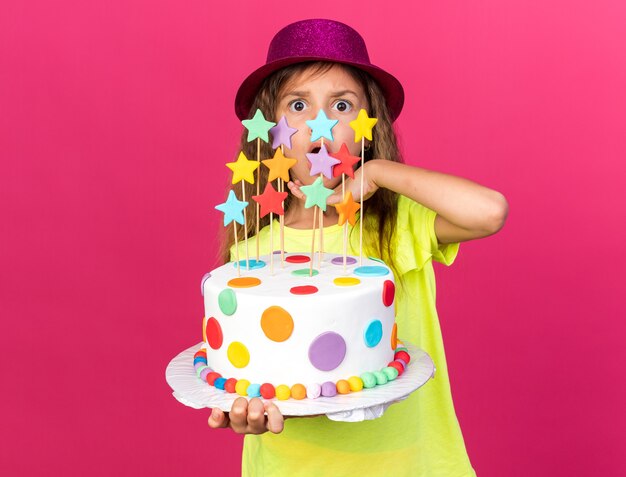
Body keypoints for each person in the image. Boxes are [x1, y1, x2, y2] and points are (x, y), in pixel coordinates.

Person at [208, 19, 508, 477]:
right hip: (290, 467)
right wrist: (238, 408)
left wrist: (381, 174)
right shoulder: (252, 254)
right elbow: (243, 369)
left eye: (342, 105)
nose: (321, 126)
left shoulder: (397, 225)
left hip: (413, 464)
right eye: (299, 105)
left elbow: (489, 211)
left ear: (369, 128)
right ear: (268, 129)